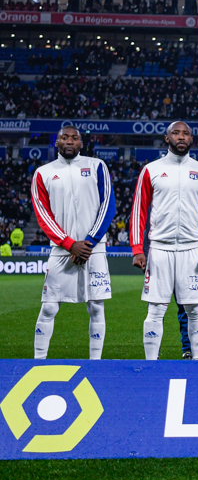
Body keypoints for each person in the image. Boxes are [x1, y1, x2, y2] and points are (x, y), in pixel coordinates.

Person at [131, 122, 198, 361]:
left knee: (195, 310)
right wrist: (138, 249)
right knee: (156, 309)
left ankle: (197, 362)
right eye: (176, 133)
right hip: (159, 249)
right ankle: (151, 364)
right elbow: (139, 210)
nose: (181, 136)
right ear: (167, 138)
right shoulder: (152, 170)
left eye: (186, 133)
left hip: (192, 250)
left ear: (192, 139)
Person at [29, 125, 115, 359]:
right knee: (48, 306)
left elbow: (108, 206)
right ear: (56, 143)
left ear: (81, 143)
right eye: (64, 138)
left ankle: (95, 363)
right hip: (60, 250)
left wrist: (87, 242)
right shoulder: (43, 173)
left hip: (93, 249)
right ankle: (38, 362)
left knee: (96, 307)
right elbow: (43, 214)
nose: (69, 141)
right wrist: (69, 244)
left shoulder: (97, 166)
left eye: (74, 138)